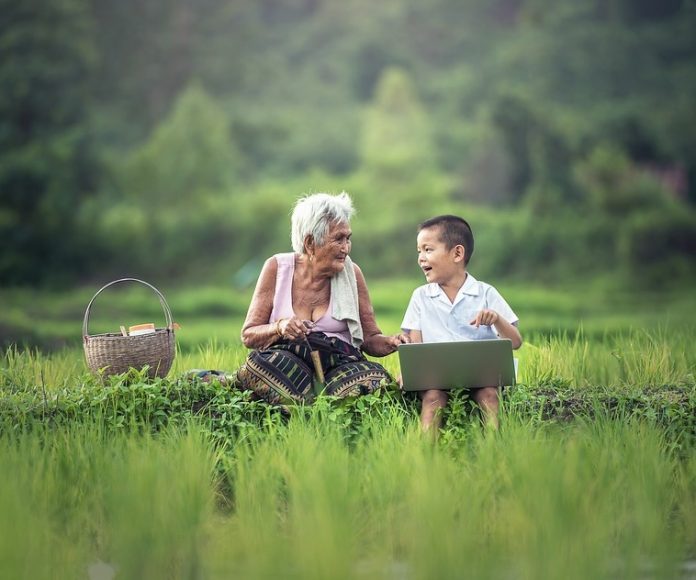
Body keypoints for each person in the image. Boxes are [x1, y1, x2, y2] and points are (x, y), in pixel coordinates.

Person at [238, 192, 408, 405]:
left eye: (348, 239)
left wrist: (391, 342)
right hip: (289, 363)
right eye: (338, 239)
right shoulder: (276, 268)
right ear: (310, 242)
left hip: (339, 363)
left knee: (375, 379)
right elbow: (249, 335)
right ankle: (314, 406)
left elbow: (369, 338)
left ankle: (310, 405)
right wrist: (279, 327)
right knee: (265, 366)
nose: (346, 248)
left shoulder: (352, 273)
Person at [400, 215, 522, 433]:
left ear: (457, 253)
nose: (421, 258)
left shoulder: (485, 293)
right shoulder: (420, 296)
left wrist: (497, 319)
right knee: (433, 399)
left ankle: (494, 448)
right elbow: (414, 344)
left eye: (428, 250)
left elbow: (515, 342)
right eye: (419, 251)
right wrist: (408, 370)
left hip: (481, 376)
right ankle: (424, 455)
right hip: (435, 378)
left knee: (489, 395)